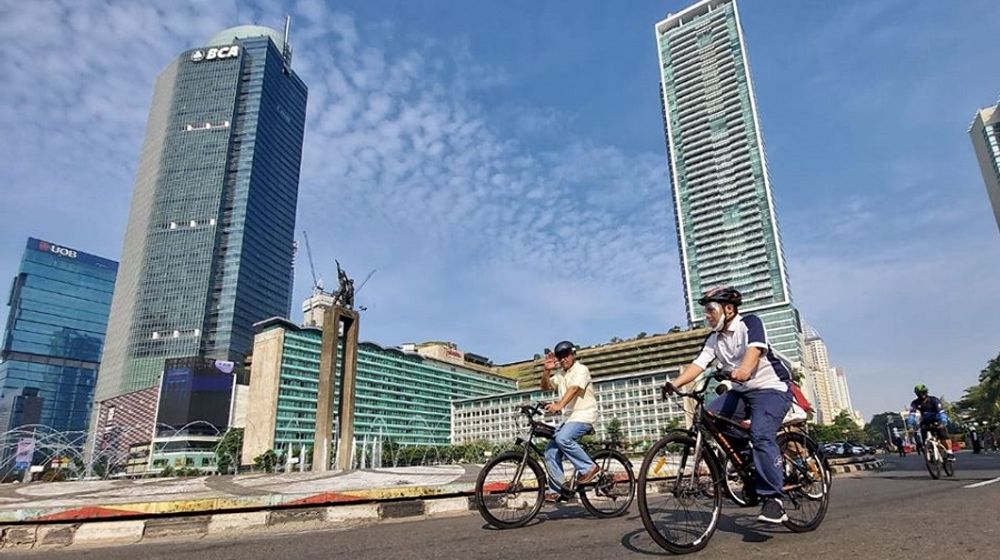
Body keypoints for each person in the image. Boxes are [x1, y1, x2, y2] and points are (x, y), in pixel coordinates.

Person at [662, 286, 793, 524]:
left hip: (771, 388)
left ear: (729, 309)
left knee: (761, 434)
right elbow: (699, 364)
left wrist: (743, 370)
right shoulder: (713, 338)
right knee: (710, 416)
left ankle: (774, 499)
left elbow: (755, 349)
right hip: (742, 391)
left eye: (711, 310)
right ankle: (748, 462)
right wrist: (675, 383)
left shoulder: (749, 323)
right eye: (706, 312)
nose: (707, 316)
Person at [541, 340, 600, 502]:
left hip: (584, 415)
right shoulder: (560, 375)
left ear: (573, 354)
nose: (563, 359)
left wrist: (560, 404)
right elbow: (546, 387)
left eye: (566, 355)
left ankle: (589, 467)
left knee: (562, 438)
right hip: (569, 419)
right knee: (550, 451)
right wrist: (546, 371)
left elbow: (574, 389)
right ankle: (556, 490)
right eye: (560, 356)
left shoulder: (581, 369)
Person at [908, 384, 955, 461]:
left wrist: (943, 421)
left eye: (923, 392)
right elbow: (911, 414)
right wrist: (910, 424)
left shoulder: (934, 400)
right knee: (924, 438)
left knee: (943, 435)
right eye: (919, 393)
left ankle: (950, 453)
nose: (922, 395)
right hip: (925, 422)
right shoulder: (915, 403)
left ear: (926, 392)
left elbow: (941, 412)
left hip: (937, 420)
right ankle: (930, 451)